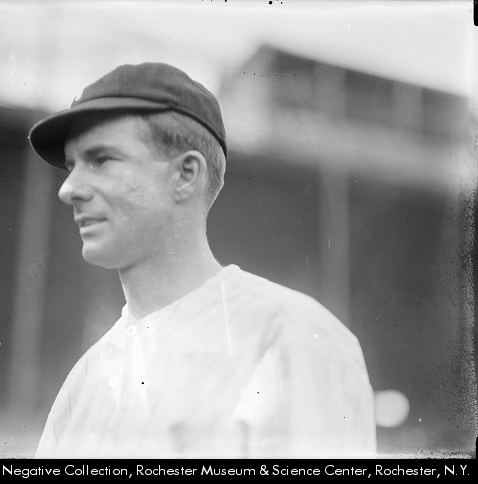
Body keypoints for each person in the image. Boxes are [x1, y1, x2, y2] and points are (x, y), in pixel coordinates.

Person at [28, 62, 377, 458]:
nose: (69, 188)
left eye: (101, 159)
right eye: (72, 166)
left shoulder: (293, 338)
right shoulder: (84, 381)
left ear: (186, 174)